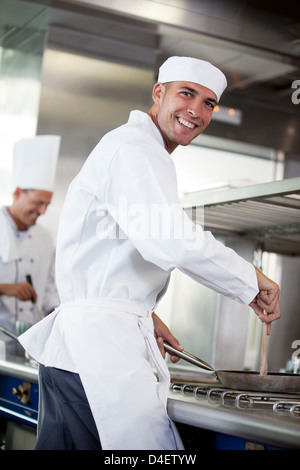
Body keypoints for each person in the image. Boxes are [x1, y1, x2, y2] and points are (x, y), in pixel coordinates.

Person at [19, 57, 280, 450]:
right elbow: (170, 239)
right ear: (159, 93)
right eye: (186, 94)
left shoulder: (136, 149)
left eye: (208, 103)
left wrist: (140, 312)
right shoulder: (135, 149)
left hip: (85, 348)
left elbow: (111, 251)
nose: (196, 110)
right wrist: (250, 279)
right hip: (99, 353)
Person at [0, 136, 61, 356]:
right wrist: (6, 288)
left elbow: (48, 292)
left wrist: (60, 315)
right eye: (38, 202)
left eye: (47, 204)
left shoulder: (44, 238)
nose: (43, 211)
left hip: (31, 349)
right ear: (17, 193)